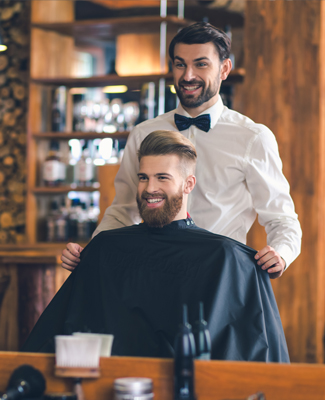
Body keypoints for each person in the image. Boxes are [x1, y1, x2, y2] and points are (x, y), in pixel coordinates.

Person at [22, 131, 289, 362]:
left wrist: (280, 255)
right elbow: (57, 339)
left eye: (162, 178)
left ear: (188, 184)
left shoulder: (226, 258)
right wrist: (89, 254)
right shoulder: (105, 249)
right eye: (143, 178)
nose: (150, 188)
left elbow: (254, 360)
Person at [61, 22, 302, 279]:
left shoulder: (253, 138)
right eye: (180, 64)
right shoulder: (143, 133)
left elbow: (281, 218)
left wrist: (280, 253)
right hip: (152, 272)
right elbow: (123, 210)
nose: (187, 76)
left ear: (224, 69)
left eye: (201, 64)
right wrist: (93, 250)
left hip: (220, 275)